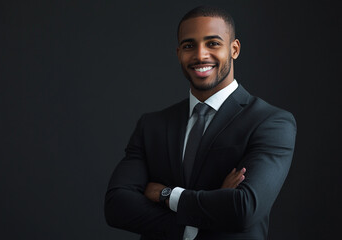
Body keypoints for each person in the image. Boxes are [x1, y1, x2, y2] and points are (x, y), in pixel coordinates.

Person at [104, 5, 296, 240]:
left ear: (234, 49)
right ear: (178, 53)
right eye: (189, 46)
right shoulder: (151, 126)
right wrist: (195, 221)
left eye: (213, 43)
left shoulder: (271, 122)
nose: (200, 55)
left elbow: (244, 208)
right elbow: (116, 206)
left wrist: (166, 194)